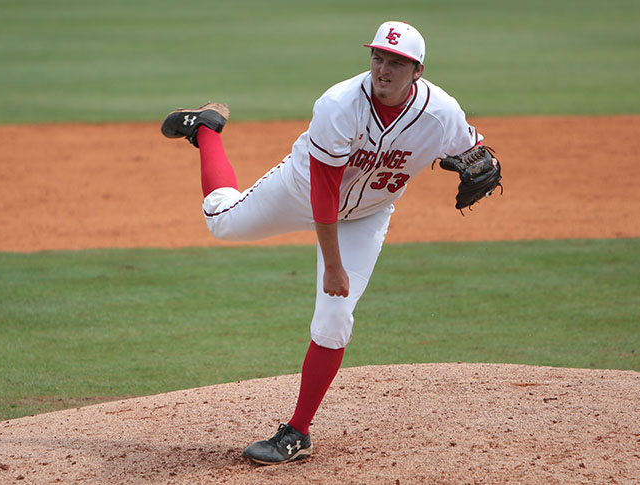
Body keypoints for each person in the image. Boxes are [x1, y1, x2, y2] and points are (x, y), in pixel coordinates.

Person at [161, 20, 486, 465]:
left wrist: (479, 165)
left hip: (368, 215)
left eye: (396, 62)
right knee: (221, 222)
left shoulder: (441, 112)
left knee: (335, 320)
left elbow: (472, 149)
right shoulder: (339, 104)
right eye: (378, 58)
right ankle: (207, 131)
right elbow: (325, 194)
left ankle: (297, 433)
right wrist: (332, 266)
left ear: (418, 71)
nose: (383, 69)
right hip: (300, 190)